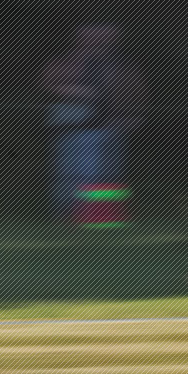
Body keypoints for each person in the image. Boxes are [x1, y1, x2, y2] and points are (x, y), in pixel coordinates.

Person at [41, 24, 146, 224]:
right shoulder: (68, 58)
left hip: (113, 123)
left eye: (108, 34)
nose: (102, 38)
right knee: (77, 171)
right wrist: (80, 91)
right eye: (94, 33)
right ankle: (68, 213)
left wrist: (135, 113)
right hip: (76, 126)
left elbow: (136, 88)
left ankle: (103, 215)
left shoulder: (121, 62)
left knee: (109, 171)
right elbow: (49, 83)